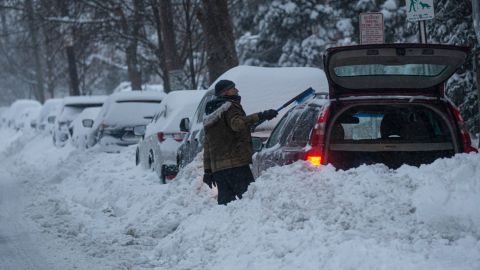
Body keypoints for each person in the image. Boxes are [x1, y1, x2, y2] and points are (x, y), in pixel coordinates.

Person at [202, 79, 278, 205]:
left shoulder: (210, 114)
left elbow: (208, 144)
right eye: (233, 88)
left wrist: (208, 171)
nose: (237, 90)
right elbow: (237, 124)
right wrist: (260, 115)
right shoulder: (230, 106)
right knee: (249, 201)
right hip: (236, 165)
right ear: (225, 92)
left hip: (219, 170)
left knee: (226, 207)